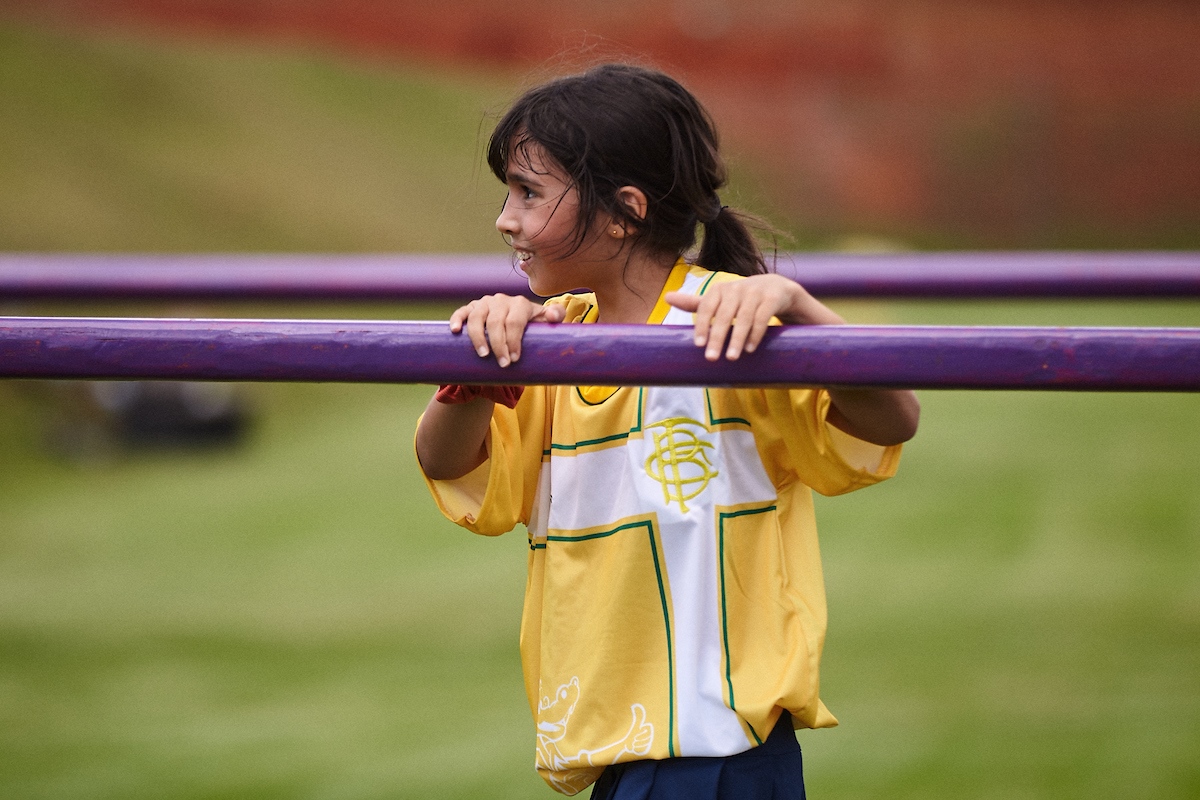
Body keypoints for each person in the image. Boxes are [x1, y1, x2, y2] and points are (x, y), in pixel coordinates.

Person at [415, 62, 920, 799]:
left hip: (717, 747)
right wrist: (471, 375)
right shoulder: (552, 339)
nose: (505, 217)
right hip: (624, 753)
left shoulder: (731, 325)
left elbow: (892, 414)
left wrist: (800, 312)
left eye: (528, 193)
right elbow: (447, 461)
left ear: (623, 211)